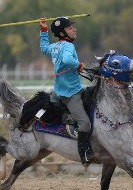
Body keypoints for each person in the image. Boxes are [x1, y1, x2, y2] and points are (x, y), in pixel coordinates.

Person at [39, 16, 94, 166]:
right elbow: (67, 60)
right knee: (85, 124)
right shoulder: (68, 47)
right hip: (71, 94)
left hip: (58, 91)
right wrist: (80, 65)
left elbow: (44, 48)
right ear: (62, 33)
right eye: (70, 28)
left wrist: (43, 30)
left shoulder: (54, 47)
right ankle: (84, 154)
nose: (74, 29)